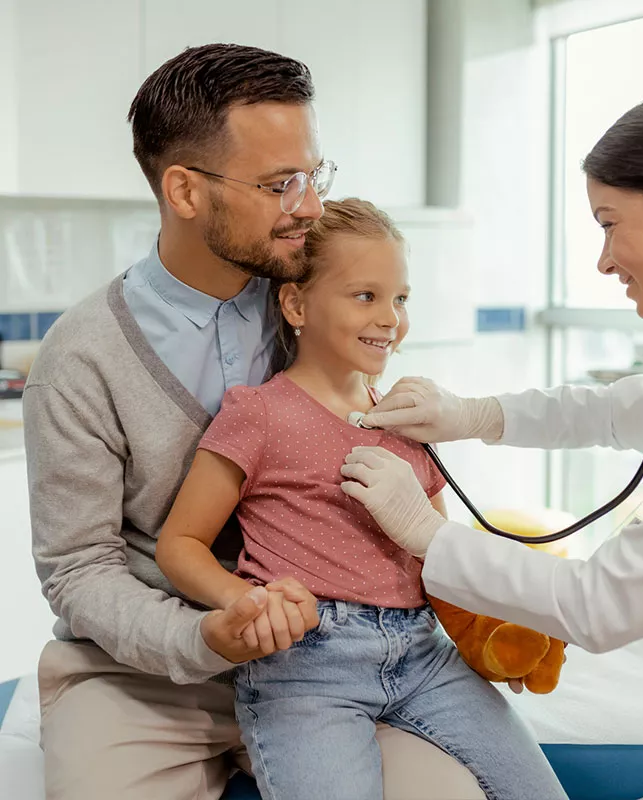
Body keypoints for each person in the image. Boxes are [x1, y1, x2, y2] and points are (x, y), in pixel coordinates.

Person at [24, 44, 486, 800]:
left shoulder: (308, 304)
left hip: (331, 660)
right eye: (280, 185)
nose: (308, 205)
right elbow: (80, 571)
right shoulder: (80, 360)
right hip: (146, 672)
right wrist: (206, 633)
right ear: (183, 190)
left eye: (313, 175)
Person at [340, 71, 643, 800]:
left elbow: (600, 602)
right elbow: (617, 411)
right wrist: (472, 415)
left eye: (610, 223)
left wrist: (424, 532)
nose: (604, 259)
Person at [155, 198, 567, 800]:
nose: (390, 319)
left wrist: (492, 624)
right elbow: (180, 543)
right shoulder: (259, 414)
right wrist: (244, 602)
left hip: (424, 655)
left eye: (400, 299)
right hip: (307, 667)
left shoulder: (408, 419)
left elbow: (439, 553)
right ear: (296, 304)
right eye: (365, 296)